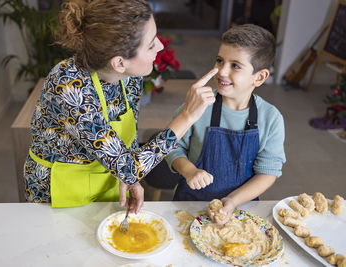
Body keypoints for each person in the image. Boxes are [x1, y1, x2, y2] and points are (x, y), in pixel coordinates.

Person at [23, 0, 218, 213]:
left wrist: (131, 177)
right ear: (119, 62)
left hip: (108, 175)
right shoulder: (70, 88)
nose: (161, 47)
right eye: (151, 44)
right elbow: (128, 168)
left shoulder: (129, 76)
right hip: (60, 186)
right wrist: (187, 117)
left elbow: (127, 134)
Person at [165, 24, 286, 224]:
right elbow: (170, 146)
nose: (222, 71)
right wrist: (189, 170)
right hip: (189, 206)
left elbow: (268, 173)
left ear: (260, 77)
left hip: (241, 209)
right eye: (220, 61)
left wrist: (232, 201)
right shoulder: (197, 106)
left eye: (235, 65)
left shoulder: (271, 118)